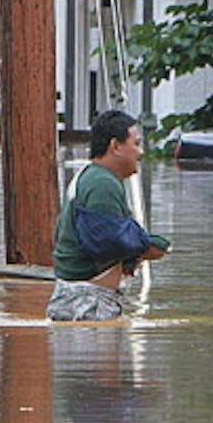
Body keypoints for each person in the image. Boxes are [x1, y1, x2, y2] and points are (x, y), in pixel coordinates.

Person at [49, 109, 170, 322]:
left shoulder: (89, 176)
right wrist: (149, 246)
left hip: (76, 297)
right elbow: (110, 242)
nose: (141, 152)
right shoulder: (102, 184)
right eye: (136, 143)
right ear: (115, 146)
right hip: (88, 302)